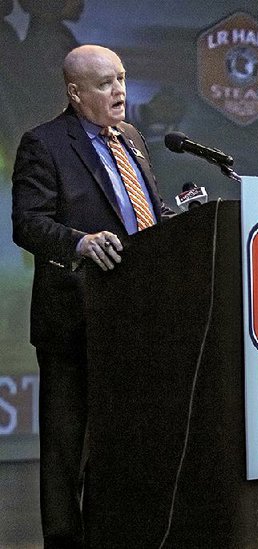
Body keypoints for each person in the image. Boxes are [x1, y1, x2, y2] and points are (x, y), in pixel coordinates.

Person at [11, 44, 174, 548]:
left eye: (122, 78)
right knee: (66, 449)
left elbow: (140, 215)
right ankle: (64, 542)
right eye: (105, 83)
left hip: (136, 316)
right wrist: (78, 243)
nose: (119, 91)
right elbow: (27, 221)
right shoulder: (44, 143)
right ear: (75, 92)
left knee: (125, 443)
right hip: (75, 319)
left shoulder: (132, 140)